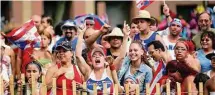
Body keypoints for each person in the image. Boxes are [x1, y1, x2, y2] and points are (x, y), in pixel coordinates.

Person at [75, 21, 129, 94]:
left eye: (100, 55)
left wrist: (125, 37)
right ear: (92, 60)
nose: (97, 56)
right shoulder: (88, 72)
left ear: (104, 59)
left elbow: (121, 57)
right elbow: (78, 56)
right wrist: (81, 34)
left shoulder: (109, 70)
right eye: (94, 55)